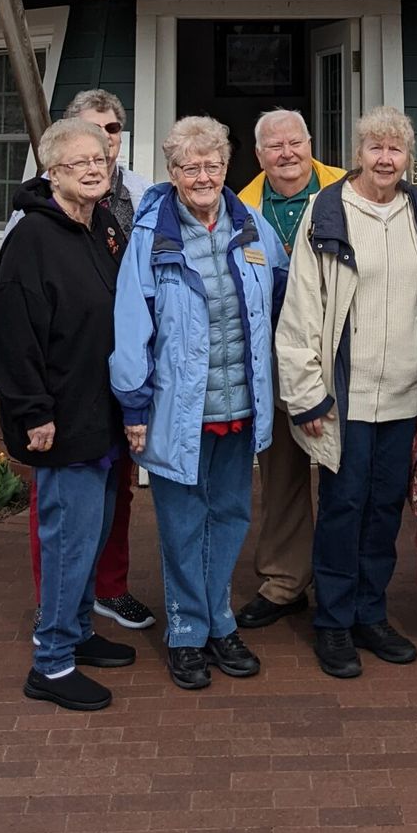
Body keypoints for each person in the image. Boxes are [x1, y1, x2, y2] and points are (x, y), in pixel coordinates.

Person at [110, 115, 281, 691]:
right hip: (175, 410)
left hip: (239, 407)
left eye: (212, 165)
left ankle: (219, 622)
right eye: (190, 166)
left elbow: (279, 304)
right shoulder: (150, 237)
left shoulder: (253, 226)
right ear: (173, 172)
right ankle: (187, 631)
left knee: (230, 516)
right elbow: (132, 326)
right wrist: (133, 407)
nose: (203, 176)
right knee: (183, 524)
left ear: (227, 168)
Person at [277, 108, 417, 679]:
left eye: (396, 150)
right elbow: (300, 310)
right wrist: (308, 395)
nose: (386, 160)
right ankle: (334, 623)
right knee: (344, 507)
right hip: (343, 396)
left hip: (402, 395)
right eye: (375, 149)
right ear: (358, 153)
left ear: (406, 158)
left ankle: (372, 614)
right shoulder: (328, 213)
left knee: (383, 509)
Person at [0, 117, 137, 714]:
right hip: (61, 418)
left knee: (94, 534)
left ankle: (77, 632)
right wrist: (32, 411)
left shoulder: (100, 226)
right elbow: (13, 336)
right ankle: (51, 662)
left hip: (100, 413)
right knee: (68, 542)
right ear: (53, 173)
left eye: (99, 157)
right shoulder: (31, 239)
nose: (94, 168)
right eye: (78, 163)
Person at [20, 89, 156, 634]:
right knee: (60, 517)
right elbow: (20, 324)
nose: (98, 153)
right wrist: (34, 407)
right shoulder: (34, 225)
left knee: (107, 504)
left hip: (113, 391)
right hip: (63, 396)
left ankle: (97, 604)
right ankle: (52, 627)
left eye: (108, 138)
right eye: (84, 144)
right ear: (55, 165)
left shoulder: (126, 210)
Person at [234, 109, 345, 631]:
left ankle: (341, 575)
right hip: (272, 359)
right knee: (281, 474)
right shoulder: (240, 207)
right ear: (259, 156)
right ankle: (284, 580)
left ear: (310, 142)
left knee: (346, 471)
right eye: (274, 146)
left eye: (294, 142)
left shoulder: (346, 190)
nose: (286, 153)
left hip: (344, 355)